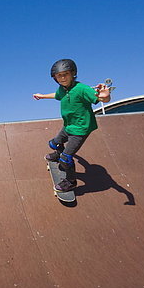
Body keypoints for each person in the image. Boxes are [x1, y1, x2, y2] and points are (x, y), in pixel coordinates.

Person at [33, 59, 111, 192]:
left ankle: (71, 182)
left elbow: (101, 97)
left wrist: (106, 96)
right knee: (53, 144)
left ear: (73, 74)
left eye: (66, 74)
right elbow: (56, 95)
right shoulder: (62, 89)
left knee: (66, 158)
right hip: (68, 126)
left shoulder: (82, 89)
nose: (62, 78)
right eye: (59, 76)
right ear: (55, 78)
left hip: (81, 129)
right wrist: (42, 96)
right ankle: (58, 153)